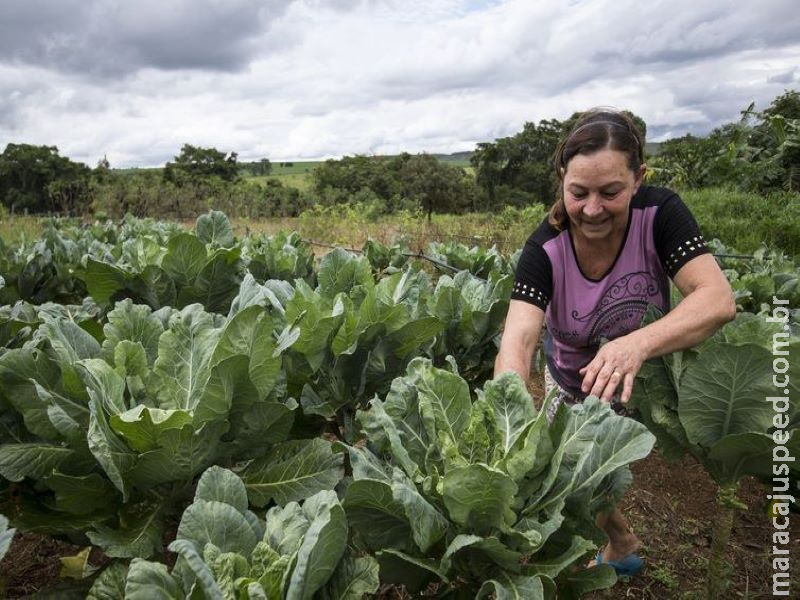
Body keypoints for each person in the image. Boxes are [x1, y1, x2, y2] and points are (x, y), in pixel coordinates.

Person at [493, 108, 735, 576]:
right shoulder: (545, 247)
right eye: (578, 193)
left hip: (650, 369)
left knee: (597, 469)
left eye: (611, 192)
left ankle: (618, 542)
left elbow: (717, 299)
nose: (591, 209)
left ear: (639, 178)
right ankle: (621, 540)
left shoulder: (660, 214)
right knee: (574, 472)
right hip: (573, 377)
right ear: (562, 178)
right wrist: (508, 407)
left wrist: (634, 345)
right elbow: (518, 341)